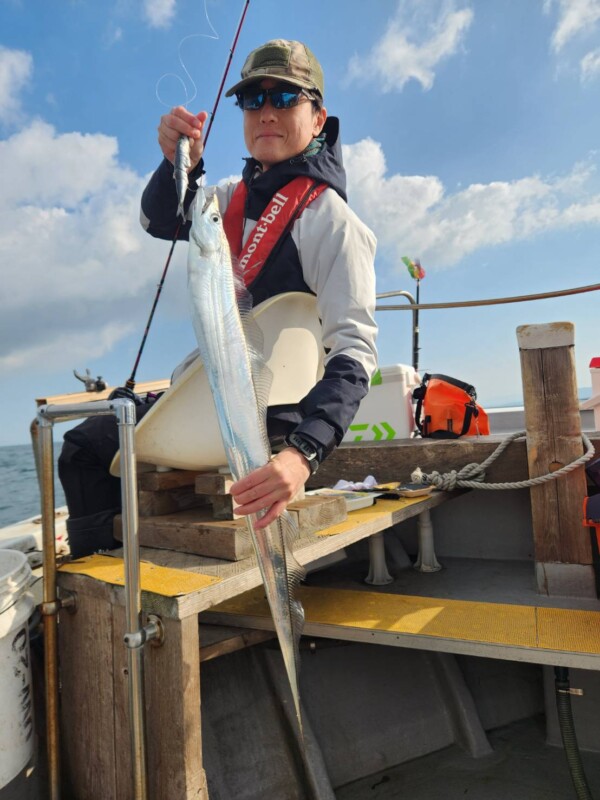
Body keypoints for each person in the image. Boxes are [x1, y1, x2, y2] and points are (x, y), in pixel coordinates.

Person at [58, 38, 377, 555]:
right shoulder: (224, 199)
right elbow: (157, 220)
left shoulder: (335, 223)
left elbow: (355, 354)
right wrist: (177, 162)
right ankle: (124, 576)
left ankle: (105, 589)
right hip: (208, 405)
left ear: (319, 117)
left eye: (285, 98)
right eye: (253, 100)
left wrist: (301, 456)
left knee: (84, 449)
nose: (266, 113)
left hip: (274, 424)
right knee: (101, 433)